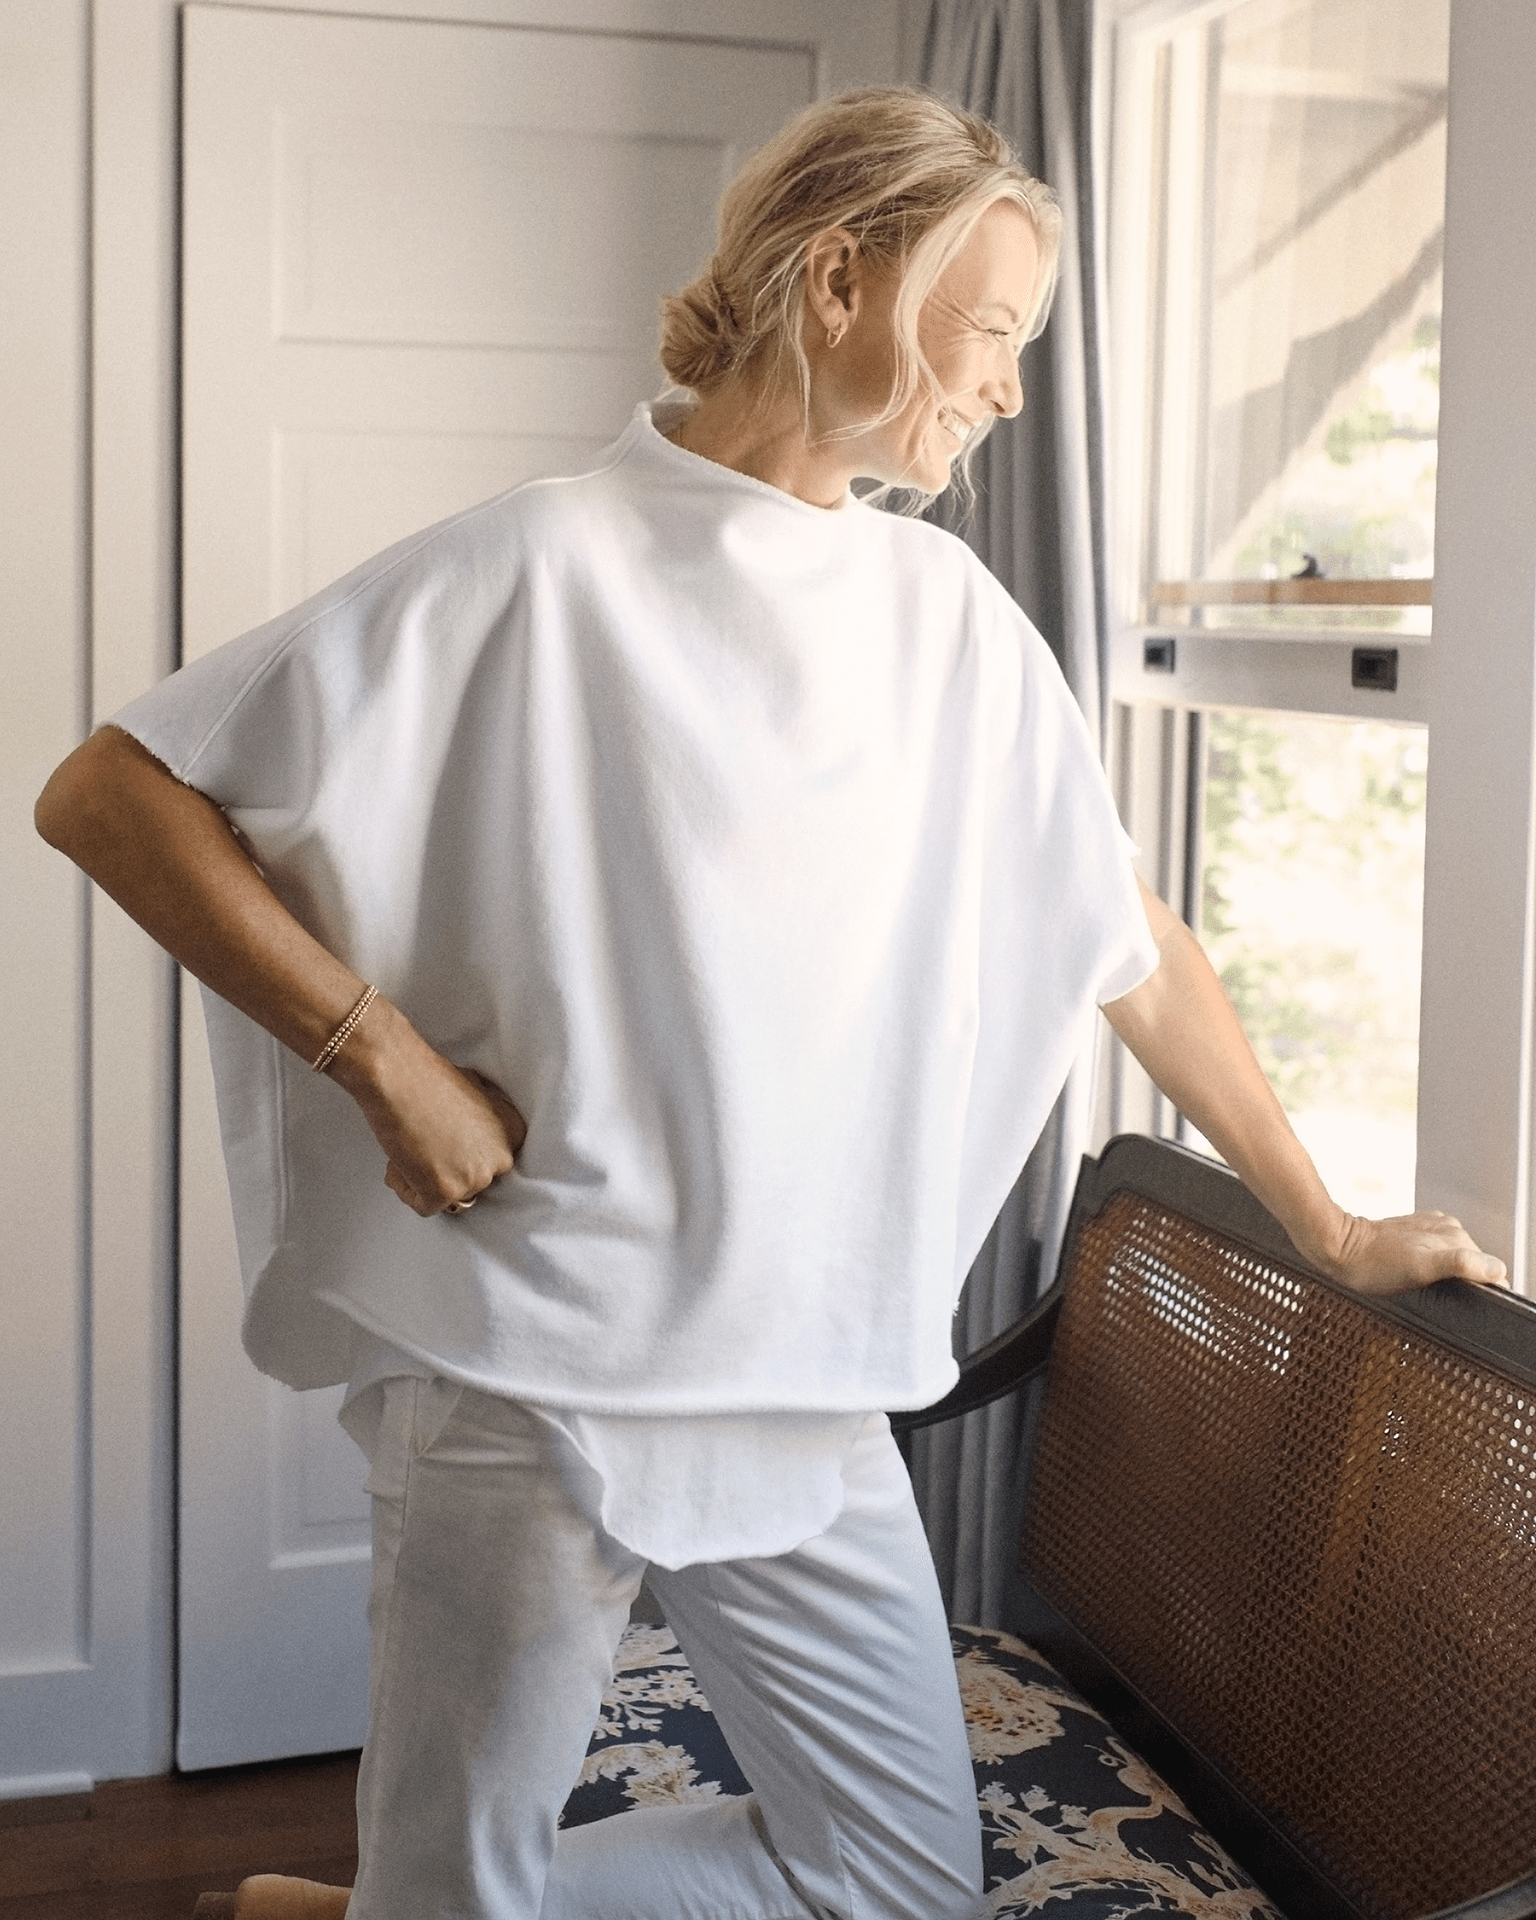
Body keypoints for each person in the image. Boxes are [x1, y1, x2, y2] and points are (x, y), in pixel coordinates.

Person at [36, 86, 1502, 1920]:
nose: (1010, 391)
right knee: (460, 1860)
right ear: (836, 285)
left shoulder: (948, 616)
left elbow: (1126, 934)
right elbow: (110, 793)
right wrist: (379, 1056)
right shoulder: (537, 562)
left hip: (801, 1377)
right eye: (991, 334)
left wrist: (1333, 1221)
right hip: (534, 1362)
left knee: (889, 1882)